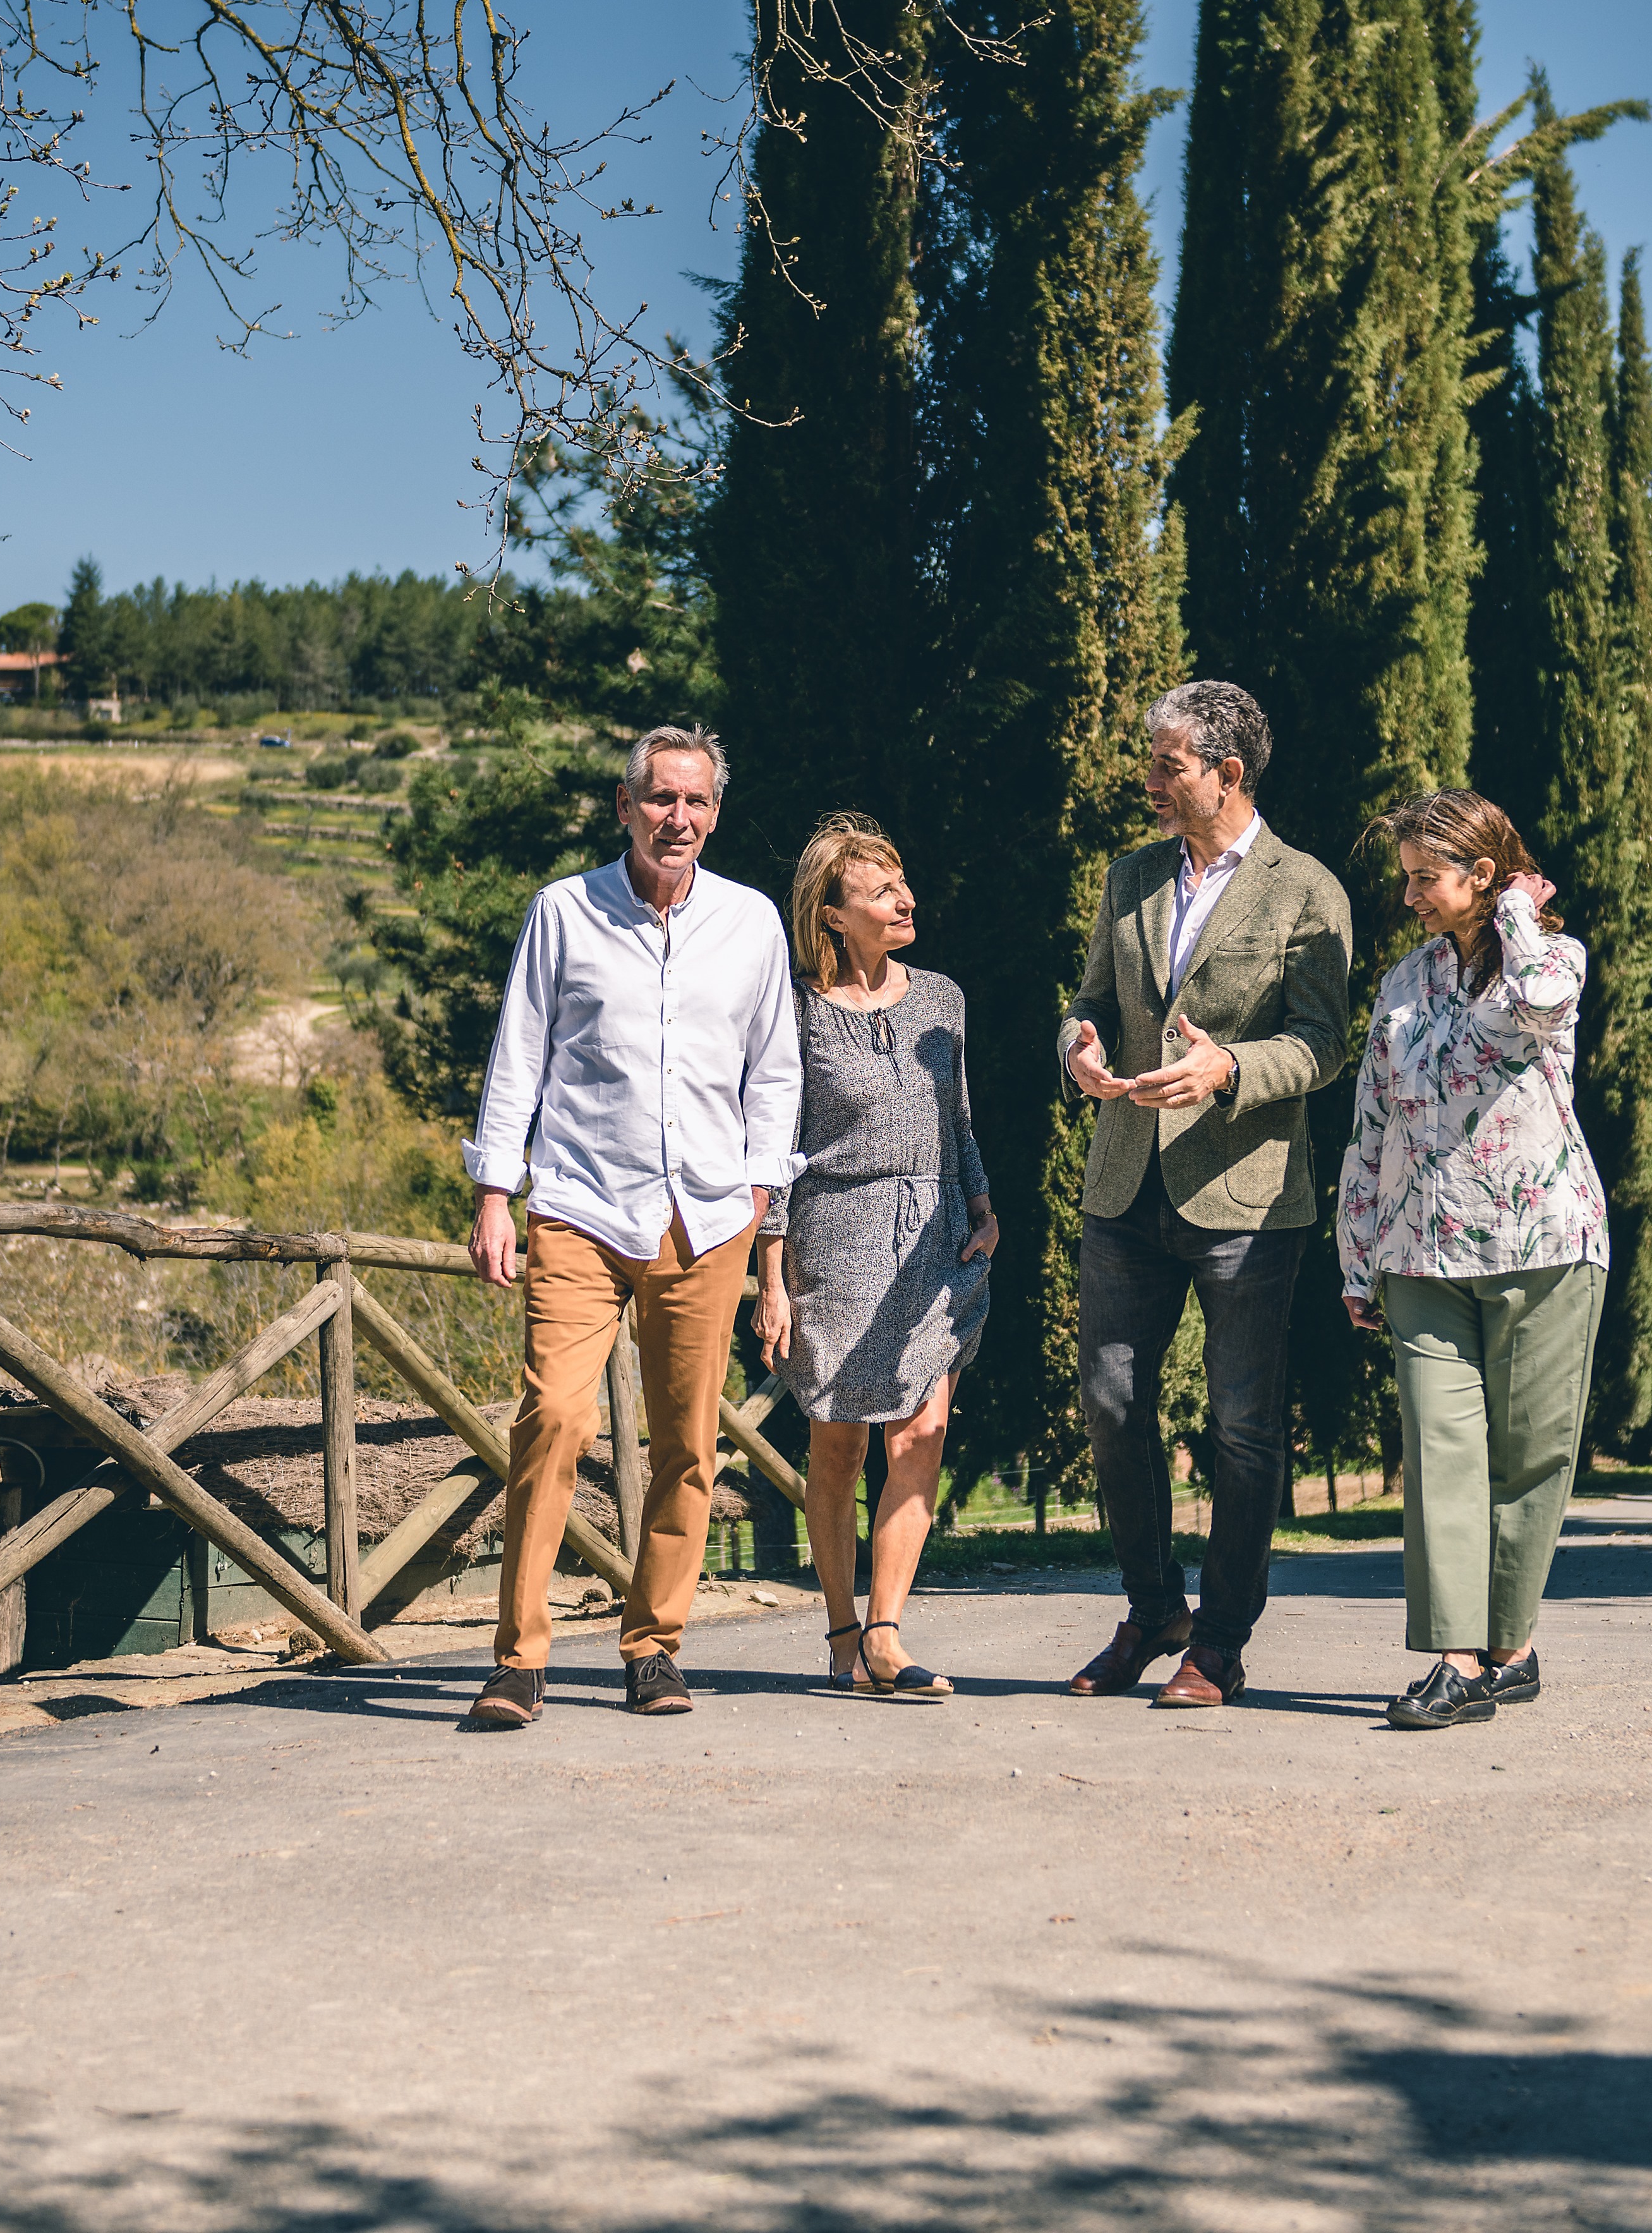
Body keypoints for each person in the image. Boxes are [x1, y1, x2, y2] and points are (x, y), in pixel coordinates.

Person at [459, 726, 802, 1728]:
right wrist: (494, 1192)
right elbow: (518, 1054)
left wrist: (757, 1191)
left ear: (716, 813)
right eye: (660, 800)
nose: (677, 820)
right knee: (556, 1419)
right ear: (626, 808)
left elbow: (774, 1071)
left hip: (705, 1216)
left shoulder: (751, 924)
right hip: (578, 1205)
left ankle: (654, 1645)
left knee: (688, 1443)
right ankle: (520, 1658)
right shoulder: (563, 912)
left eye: (695, 802)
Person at [1055, 681, 1353, 1709]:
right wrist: (1079, 1047)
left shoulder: (1307, 888)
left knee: (1242, 1429)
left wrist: (1230, 1069)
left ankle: (1220, 1642)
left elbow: (1322, 1045)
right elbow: (1091, 998)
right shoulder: (1131, 875)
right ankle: (1154, 1612)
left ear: (1229, 773)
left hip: (1247, 1198)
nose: (1150, 780)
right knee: (1110, 1404)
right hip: (1125, 1182)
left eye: (1168, 765)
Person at [1337, 789, 1610, 1728]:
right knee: (1442, 1453)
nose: (1409, 895)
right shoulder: (1402, 985)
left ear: (1482, 877)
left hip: (1546, 1244)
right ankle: (1457, 1661)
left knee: (1533, 1455)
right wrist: (1356, 1251)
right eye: (1406, 877)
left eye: (1425, 878)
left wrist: (1522, 916)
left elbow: (1538, 1006)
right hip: (1421, 1252)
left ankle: (1510, 1645)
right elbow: (1371, 1121)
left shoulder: (1553, 958)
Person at [755, 816, 998, 1702]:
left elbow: (959, 1118)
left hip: (934, 1237)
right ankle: (842, 1634)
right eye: (883, 891)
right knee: (838, 1446)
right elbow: (774, 1149)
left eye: (903, 885)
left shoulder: (943, 998)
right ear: (832, 915)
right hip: (837, 1241)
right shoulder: (795, 1012)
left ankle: (888, 1630)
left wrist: (980, 1203)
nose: (906, 901)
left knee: (924, 1429)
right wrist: (770, 1276)